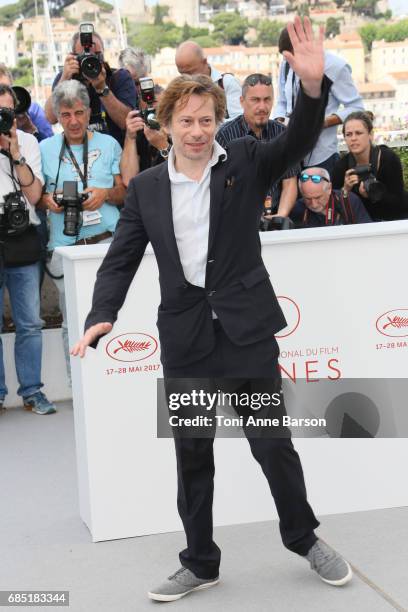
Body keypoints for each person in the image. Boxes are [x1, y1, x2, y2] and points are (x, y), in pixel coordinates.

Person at [72, 18, 353, 602]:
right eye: (185, 122)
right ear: (167, 126)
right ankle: (200, 561)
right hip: (188, 338)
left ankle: (304, 538)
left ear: (214, 120)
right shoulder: (148, 189)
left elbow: (299, 140)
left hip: (247, 334)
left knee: (273, 445)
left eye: (205, 120)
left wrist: (311, 87)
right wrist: (103, 313)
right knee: (193, 454)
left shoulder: (247, 160)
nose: (197, 131)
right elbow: (121, 259)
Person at [39, 80, 125, 381]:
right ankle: (79, 386)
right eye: (65, 115)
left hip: (107, 242)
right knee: (70, 321)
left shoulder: (109, 144)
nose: (73, 121)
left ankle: (114, 379)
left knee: (116, 316)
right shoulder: (45, 148)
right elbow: (35, 194)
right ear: (58, 116)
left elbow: (124, 192)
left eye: (78, 112)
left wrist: (105, 194)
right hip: (65, 246)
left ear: (89, 112)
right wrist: (47, 200)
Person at [0, 84, 56, 415]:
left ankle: (32, 391)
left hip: (23, 235)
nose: (3, 118)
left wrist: (15, 152)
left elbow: (34, 196)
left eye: (7, 112)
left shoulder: (30, 144)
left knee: (30, 322)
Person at [273, 27, 364, 177]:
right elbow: (282, 102)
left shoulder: (335, 66)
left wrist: (321, 123)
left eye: (294, 56)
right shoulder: (286, 64)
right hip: (289, 154)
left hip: (322, 156)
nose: (291, 61)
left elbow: (356, 108)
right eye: (287, 57)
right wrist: (278, 122)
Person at [216, 73, 299, 218]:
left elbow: (290, 182)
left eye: (267, 100)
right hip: (238, 218)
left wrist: (280, 216)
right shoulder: (225, 135)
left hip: (276, 217)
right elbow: (219, 186)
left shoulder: (283, 134)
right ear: (242, 101)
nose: (262, 106)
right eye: (255, 100)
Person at [44, 29, 136, 146]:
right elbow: (50, 118)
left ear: (103, 54)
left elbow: (125, 122)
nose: (90, 62)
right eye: (84, 56)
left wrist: (102, 88)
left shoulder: (119, 77)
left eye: (96, 55)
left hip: (115, 152)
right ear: (74, 57)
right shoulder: (66, 78)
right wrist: (64, 78)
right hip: (78, 154)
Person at [332, 111, 408, 221]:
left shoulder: (387, 159)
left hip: (396, 219)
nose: (353, 138)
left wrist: (373, 195)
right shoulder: (342, 167)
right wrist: (345, 190)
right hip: (362, 223)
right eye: (348, 134)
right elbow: (335, 208)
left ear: (371, 135)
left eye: (358, 133)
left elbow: (398, 202)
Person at [175, 40, 242, 120]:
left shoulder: (227, 83)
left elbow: (239, 121)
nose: (187, 78)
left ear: (204, 62)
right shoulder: (179, 89)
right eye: (182, 74)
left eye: (191, 72)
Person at [120, 85, 169, 185]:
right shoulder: (140, 133)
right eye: (147, 112)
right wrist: (130, 137)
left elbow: (185, 171)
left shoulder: (178, 132)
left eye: (157, 111)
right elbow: (128, 180)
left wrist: (163, 145)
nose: (153, 117)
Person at [291, 166, 372, 227]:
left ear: (329, 188)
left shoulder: (348, 201)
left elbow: (368, 232)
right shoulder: (297, 209)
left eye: (318, 197)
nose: (314, 204)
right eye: (307, 199)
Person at [0, 63, 53, 142]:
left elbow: (50, 146)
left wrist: (31, 128)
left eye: (7, 89)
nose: (4, 94)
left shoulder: (31, 110)